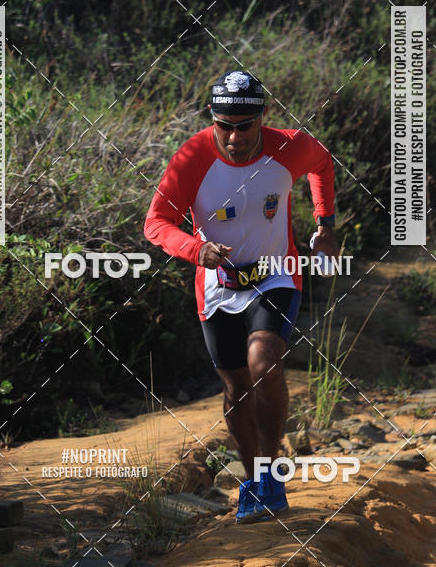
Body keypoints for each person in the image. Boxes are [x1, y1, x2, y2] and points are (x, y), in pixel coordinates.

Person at [143, 70, 338, 523]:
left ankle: (271, 472)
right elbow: (156, 223)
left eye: (245, 126)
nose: (234, 137)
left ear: (263, 117)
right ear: (212, 118)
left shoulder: (289, 146)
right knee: (235, 386)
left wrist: (325, 226)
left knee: (263, 362)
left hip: (275, 275)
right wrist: (195, 249)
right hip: (218, 287)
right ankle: (254, 479)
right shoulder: (192, 157)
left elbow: (323, 163)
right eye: (223, 125)